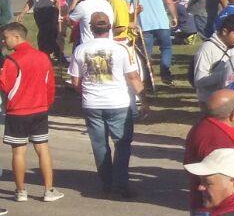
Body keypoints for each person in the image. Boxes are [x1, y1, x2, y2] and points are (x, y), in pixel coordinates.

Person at [69, 13, 143, 197]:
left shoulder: (80, 49)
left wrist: (87, 93)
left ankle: (107, 183)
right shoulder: (121, 49)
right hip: (118, 102)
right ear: (110, 27)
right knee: (122, 144)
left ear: (91, 28)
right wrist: (143, 100)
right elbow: (133, 77)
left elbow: (75, 81)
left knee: (99, 145)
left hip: (92, 103)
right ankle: (120, 184)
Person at [1, 22, 62, 203]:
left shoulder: (12, 60)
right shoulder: (43, 57)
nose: (4, 42)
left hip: (18, 111)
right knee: (42, 148)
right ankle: (49, 189)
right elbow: (49, 84)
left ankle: (21, 191)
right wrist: (47, 103)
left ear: (17, 37)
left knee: (18, 152)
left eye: (6, 38)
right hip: (40, 109)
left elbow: (5, 85)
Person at [184, 90, 234, 216]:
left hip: (208, 206)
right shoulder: (220, 140)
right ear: (233, 113)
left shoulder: (204, 127)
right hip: (215, 209)